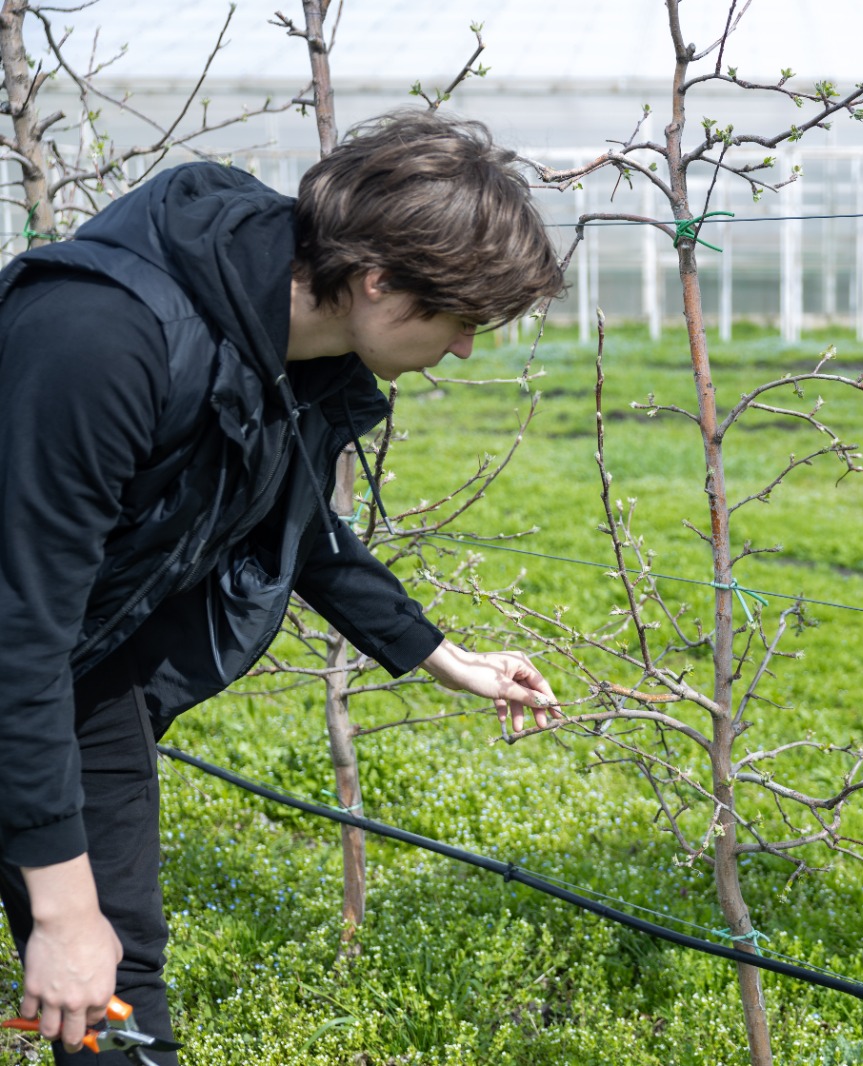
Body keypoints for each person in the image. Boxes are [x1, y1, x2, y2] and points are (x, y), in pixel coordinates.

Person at [0, 109, 566, 1063]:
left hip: (76, 670)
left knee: (119, 978)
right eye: (462, 318)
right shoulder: (100, 341)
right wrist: (59, 913)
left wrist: (443, 657)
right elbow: (18, 628)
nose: (468, 348)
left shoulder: (291, 345)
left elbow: (290, 516)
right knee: (80, 934)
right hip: (25, 650)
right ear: (378, 280)